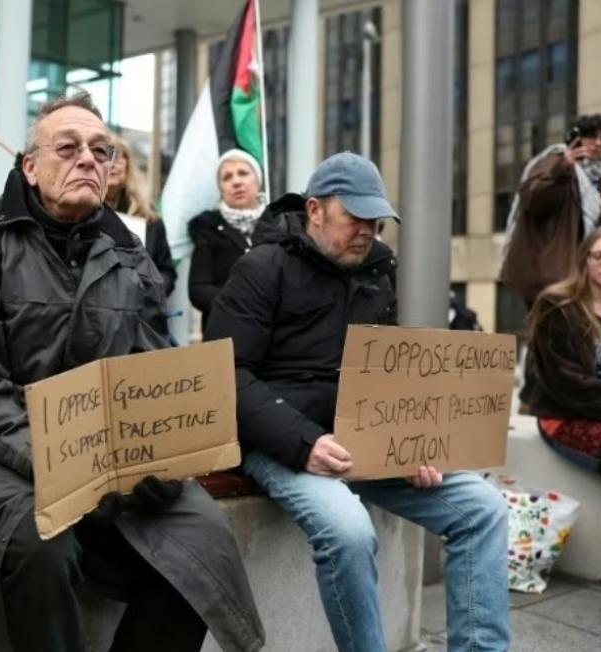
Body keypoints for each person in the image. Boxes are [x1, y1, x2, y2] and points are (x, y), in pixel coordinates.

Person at [0, 93, 264, 652]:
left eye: (101, 151)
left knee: (203, 540)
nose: (88, 158)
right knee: (41, 543)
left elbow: (153, 374)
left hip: (110, 460)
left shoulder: (130, 254)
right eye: (68, 147)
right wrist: (64, 466)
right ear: (31, 167)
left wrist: (159, 453)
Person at [205, 151, 510, 652]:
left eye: (376, 220)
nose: (367, 230)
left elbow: (387, 374)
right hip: (278, 439)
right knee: (348, 531)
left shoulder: (376, 271)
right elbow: (225, 375)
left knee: (486, 509)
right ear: (315, 210)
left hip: (360, 438)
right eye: (356, 218)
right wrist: (304, 442)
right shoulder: (261, 267)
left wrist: (412, 443)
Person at [522, 225, 601, 620]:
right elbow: (563, 381)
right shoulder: (558, 306)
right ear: (584, 261)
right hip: (564, 415)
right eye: (600, 255)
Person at [501, 114, 601, 307]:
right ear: (576, 137)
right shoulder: (554, 161)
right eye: (591, 136)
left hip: (573, 276)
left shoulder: (592, 177)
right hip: (550, 278)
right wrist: (562, 167)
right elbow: (533, 198)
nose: (598, 143)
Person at [188, 149, 265, 332]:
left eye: (243, 173)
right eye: (227, 177)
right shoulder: (208, 229)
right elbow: (198, 290)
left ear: (257, 181)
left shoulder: (279, 225)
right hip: (226, 333)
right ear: (221, 189)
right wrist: (241, 302)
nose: (236, 181)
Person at [105, 135, 176, 296]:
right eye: (105, 156)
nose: (112, 163)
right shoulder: (79, 213)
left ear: (128, 164)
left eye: (117, 156)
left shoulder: (149, 217)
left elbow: (166, 272)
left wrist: (150, 292)